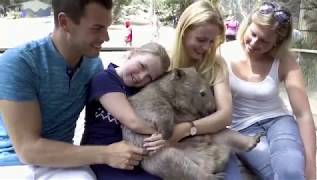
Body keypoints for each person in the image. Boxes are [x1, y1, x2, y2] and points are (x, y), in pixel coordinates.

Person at [0, 0, 150, 179]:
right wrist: (106, 154)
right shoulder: (19, 63)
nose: (106, 37)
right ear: (65, 23)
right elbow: (27, 149)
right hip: (12, 163)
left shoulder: (93, 66)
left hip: (64, 162)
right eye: (97, 28)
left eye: (107, 28)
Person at [222, 2, 316, 180]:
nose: (254, 43)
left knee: (292, 172)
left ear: (276, 43)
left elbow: (303, 114)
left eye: (264, 41)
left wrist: (311, 166)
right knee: (275, 175)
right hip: (242, 129)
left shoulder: (284, 59)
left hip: (279, 121)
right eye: (253, 33)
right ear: (248, 24)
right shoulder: (223, 53)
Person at [81, 42, 170, 180]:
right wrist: (163, 134)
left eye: (149, 77)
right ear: (133, 53)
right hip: (104, 158)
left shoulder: (140, 90)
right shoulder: (104, 79)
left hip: (134, 161)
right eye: (142, 66)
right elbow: (133, 122)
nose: (141, 77)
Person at [169, 1, 232, 146]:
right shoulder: (163, 62)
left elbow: (225, 115)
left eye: (211, 41)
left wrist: (187, 128)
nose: (206, 47)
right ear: (184, 32)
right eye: (201, 40)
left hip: (211, 140)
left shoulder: (216, 65)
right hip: (171, 144)